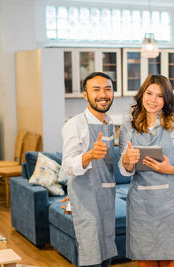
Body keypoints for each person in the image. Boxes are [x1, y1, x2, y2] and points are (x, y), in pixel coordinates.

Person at [118, 74, 174, 267]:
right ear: (141, 95)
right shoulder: (128, 128)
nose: (153, 100)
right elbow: (125, 170)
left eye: (160, 96)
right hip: (141, 207)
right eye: (149, 93)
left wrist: (170, 169)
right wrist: (127, 160)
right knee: (145, 259)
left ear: (167, 100)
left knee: (172, 259)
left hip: (173, 206)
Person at [62, 72, 117, 267]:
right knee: (91, 256)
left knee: (106, 255)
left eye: (108, 89)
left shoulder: (110, 123)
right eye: (96, 90)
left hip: (107, 198)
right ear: (85, 95)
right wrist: (90, 155)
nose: (103, 94)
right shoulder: (75, 124)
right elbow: (68, 165)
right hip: (86, 201)